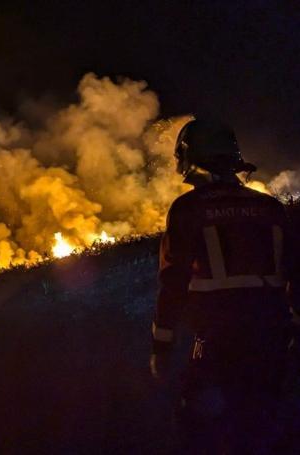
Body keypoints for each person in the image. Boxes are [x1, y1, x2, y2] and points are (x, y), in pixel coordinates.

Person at [149, 118, 300, 452]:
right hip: (273, 344)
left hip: (219, 347)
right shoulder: (269, 207)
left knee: (201, 429)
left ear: (189, 157)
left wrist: (162, 348)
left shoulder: (188, 209)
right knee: (266, 428)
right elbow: (296, 272)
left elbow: (172, 283)